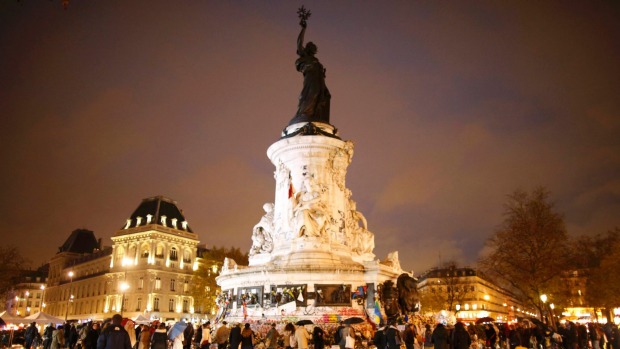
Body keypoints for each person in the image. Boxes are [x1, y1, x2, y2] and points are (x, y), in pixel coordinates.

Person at [293, 11, 331, 123]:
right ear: (309, 48)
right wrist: (303, 29)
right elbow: (299, 44)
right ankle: (304, 113)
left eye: (315, 48)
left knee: (319, 95)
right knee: (310, 94)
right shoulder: (305, 56)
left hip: (318, 81)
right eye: (312, 47)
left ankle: (314, 115)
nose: (314, 49)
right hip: (310, 79)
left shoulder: (316, 61)